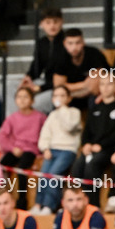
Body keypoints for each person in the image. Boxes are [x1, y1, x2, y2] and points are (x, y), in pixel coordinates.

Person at [70, 72, 115, 207]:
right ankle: (77, 203)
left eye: (110, 84)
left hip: (109, 149)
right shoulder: (95, 109)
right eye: (102, 84)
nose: (105, 87)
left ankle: (93, 205)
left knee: (92, 165)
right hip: (92, 148)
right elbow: (87, 131)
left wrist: (101, 146)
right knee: (77, 167)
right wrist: (86, 144)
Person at [0, 87, 47, 209]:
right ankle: (2, 197)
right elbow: (2, 137)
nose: (22, 100)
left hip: (31, 150)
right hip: (15, 149)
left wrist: (42, 149)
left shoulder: (40, 117)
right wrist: (12, 148)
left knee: (22, 170)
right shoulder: (12, 118)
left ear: (32, 101)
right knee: (2, 166)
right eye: (19, 97)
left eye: (25, 97)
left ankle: (22, 201)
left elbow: (46, 134)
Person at [32, 86, 82, 216]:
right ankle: (38, 204)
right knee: (44, 174)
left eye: (62, 96)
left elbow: (69, 126)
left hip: (67, 150)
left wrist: (63, 108)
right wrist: (45, 148)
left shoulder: (74, 112)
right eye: (56, 96)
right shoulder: (52, 115)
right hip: (52, 150)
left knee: (54, 175)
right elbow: (45, 134)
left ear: (69, 98)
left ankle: (49, 205)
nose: (58, 98)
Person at [23, 8, 65, 114]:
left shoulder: (67, 42)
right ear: (42, 24)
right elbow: (36, 67)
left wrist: (40, 88)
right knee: (9, 86)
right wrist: (28, 78)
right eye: (48, 22)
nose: (52, 26)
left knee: (34, 104)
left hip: (57, 86)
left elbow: (62, 78)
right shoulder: (42, 43)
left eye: (55, 22)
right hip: (43, 82)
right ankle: (15, 120)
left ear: (61, 22)